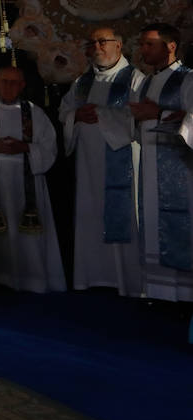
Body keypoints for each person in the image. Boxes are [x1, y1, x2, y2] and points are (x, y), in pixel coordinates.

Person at [59, 26, 143, 295]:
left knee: (120, 213)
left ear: (119, 46)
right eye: (93, 42)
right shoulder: (81, 82)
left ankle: (125, 279)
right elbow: (64, 112)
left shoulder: (135, 79)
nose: (97, 47)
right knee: (90, 211)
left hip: (122, 161)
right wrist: (76, 117)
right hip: (87, 163)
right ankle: (92, 275)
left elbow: (140, 117)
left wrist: (102, 115)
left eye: (103, 42)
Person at [0, 66, 65, 292]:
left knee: (26, 231)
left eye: (14, 82)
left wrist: (25, 147)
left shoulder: (34, 112)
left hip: (27, 177)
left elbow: (49, 146)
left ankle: (33, 278)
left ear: (22, 86)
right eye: (4, 81)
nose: (8, 86)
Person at [129, 23, 193, 302]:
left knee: (179, 222)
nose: (143, 50)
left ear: (171, 46)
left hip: (180, 170)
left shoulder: (189, 79)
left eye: (149, 44)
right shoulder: (145, 81)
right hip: (150, 164)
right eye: (141, 44)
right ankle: (158, 291)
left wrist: (160, 112)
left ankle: (186, 295)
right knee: (153, 221)